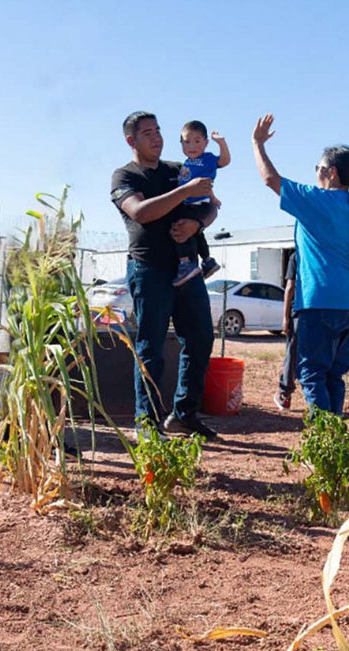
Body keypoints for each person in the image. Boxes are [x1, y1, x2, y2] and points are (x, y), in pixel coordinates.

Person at [252, 114, 349, 415]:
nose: (316, 174)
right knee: (334, 376)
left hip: (319, 304)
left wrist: (257, 144)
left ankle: (326, 445)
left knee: (311, 375)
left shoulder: (316, 201)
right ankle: (335, 444)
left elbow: (270, 179)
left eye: (318, 168)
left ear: (332, 173)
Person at [111, 111, 220, 439]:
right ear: (131, 141)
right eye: (147, 133)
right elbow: (141, 212)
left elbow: (212, 203)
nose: (156, 137)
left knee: (201, 339)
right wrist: (184, 193)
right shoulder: (124, 177)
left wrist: (197, 223)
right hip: (149, 269)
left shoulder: (180, 169)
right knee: (150, 347)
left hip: (187, 268)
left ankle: (183, 415)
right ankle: (146, 423)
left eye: (158, 130)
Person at [173, 120, 229, 286]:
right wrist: (213, 196)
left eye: (197, 141)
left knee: (178, 229)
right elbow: (203, 183)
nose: (192, 146)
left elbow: (224, 161)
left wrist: (221, 142)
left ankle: (185, 263)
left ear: (206, 142)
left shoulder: (207, 159)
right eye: (187, 141)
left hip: (196, 204)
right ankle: (207, 260)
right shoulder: (186, 163)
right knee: (197, 233)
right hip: (189, 202)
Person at [274, 250, 299, 411]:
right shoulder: (325, 250)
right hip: (323, 309)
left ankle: (285, 394)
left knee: (293, 353)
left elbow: (290, 287)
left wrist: (285, 317)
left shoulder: (297, 256)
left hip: (300, 311)